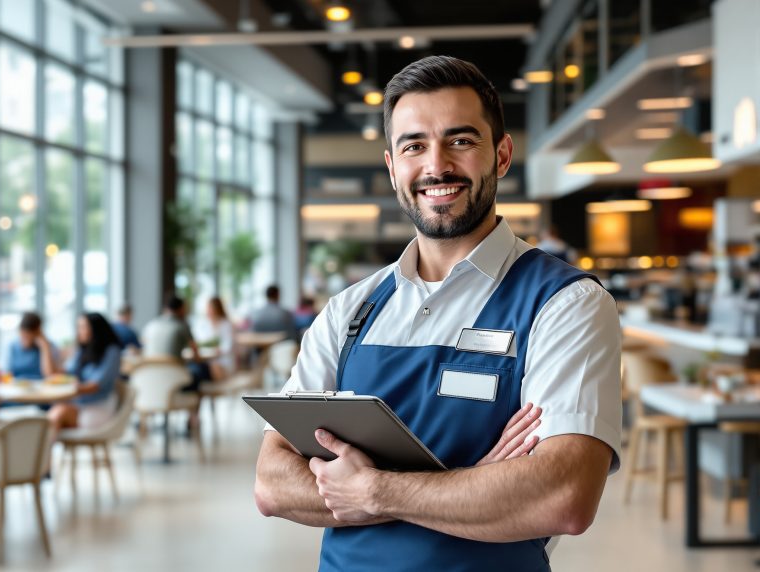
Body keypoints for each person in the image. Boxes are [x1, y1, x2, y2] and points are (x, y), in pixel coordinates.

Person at [253, 55, 621, 572]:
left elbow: (563, 496)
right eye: (414, 146)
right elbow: (272, 483)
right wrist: (469, 484)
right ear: (392, 167)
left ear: (501, 155)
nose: (436, 166)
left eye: (461, 141)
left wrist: (374, 489)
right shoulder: (349, 310)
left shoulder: (566, 302)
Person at [0, 311, 61, 443]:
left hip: (39, 398)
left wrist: (44, 347)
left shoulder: (49, 347)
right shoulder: (12, 346)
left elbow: (50, 375)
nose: (24, 341)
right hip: (14, 395)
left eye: (28, 336)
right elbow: (5, 374)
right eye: (22, 335)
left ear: (37, 332)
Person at [47, 312, 123, 440]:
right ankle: (42, 453)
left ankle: (41, 453)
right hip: (80, 404)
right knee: (52, 416)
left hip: (98, 406)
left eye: (83, 327)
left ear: (96, 330)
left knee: (57, 415)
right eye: (78, 327)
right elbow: (61, 373)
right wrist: (45, 347)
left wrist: (70, 389)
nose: (79, 331)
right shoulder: (83, 350)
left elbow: (95, 386)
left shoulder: (112, 351)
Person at [142, 295, 207, 390]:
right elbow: (196, 356)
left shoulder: (151, 325)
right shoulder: (182, 325)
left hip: (149, 379)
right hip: (175, 381)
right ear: (181, 309)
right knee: (201, 369)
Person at [197, 296, 236, 381]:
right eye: (207, 308)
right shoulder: (203, 325)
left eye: (210, 308)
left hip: (222, 361)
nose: (208, 311)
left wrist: (219, 350)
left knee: (214, 367)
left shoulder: (226, 324)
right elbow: (200, 342)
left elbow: (228, 345)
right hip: (207, 360)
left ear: (217, 309)